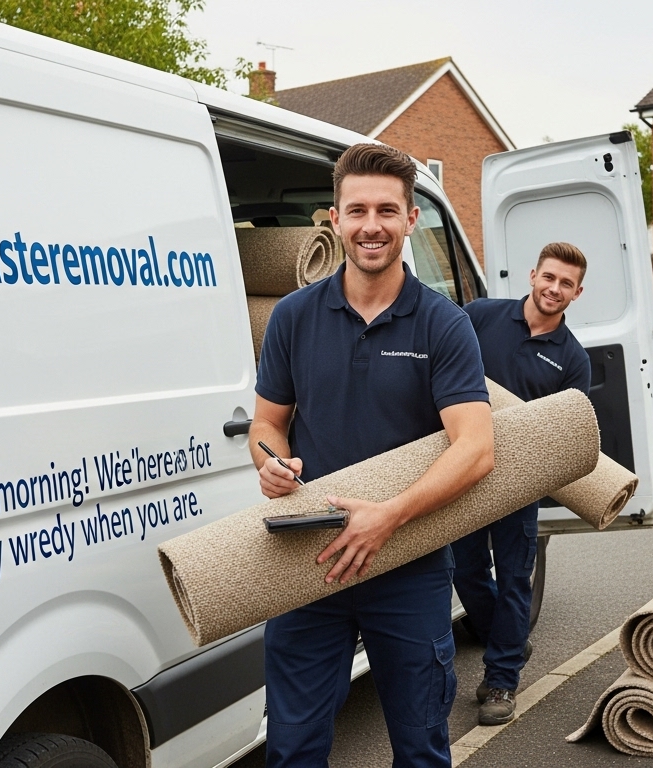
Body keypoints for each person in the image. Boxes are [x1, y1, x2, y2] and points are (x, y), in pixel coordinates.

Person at [250, 142, 495, 768]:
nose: (371, 226)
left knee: (420, 747)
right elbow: (268, 422)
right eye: (357, 210)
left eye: (387, 210)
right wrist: (271, 461)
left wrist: (390, 515)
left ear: (410, 219)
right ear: (334, 219)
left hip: (409, 563)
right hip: (310, 560)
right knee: (293, 747)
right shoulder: (293, 317)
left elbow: (476, 448)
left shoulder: (443, 324)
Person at [451, 242, 592, 725]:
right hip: (463, 469)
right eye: (549, 277)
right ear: (533, 275)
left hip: (519, 482)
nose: (555, 288)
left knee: (514, 578)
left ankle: (501, 679)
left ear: (577, 293)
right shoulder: (480, 316)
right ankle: (509, 640)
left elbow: (566, 432)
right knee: (464, 571)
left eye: (566, 283)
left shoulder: (572, 359)